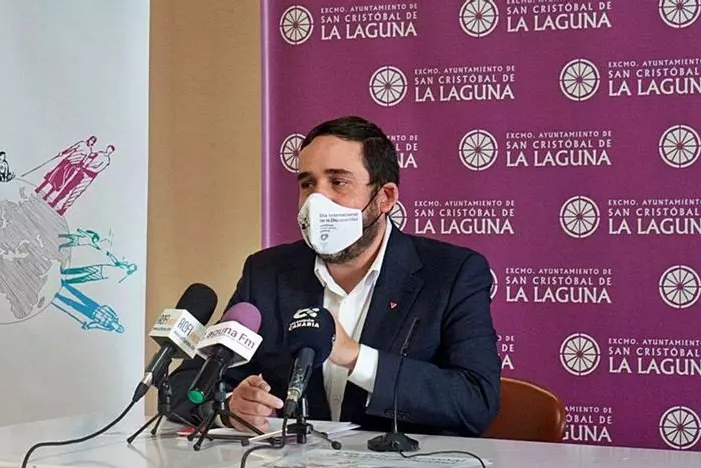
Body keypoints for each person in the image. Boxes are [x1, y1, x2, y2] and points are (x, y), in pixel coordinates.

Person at [168, 115, 501, 437]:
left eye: (338, 182)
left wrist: (356, 357)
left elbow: (476, 402)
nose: (318, 200)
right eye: (308, 184)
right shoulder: (267, 272)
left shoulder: (452, 273)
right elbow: (185, 387)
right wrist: (228, 407)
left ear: (385, 198)